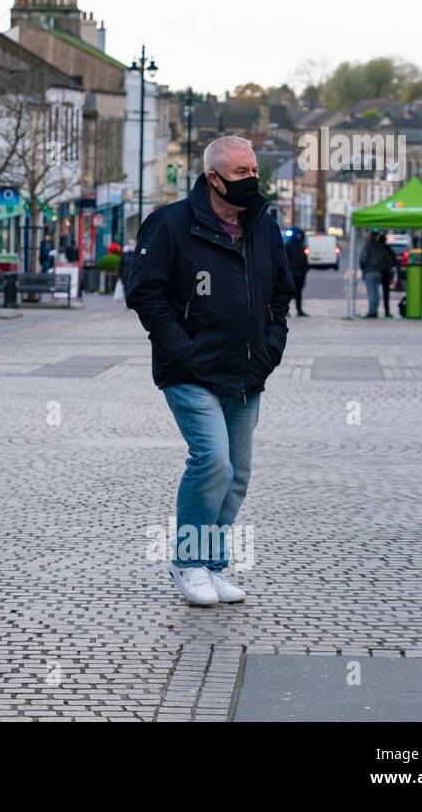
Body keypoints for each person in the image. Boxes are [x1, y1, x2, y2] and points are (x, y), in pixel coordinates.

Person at [125, 136, 293, 606]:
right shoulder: (170, 224)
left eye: (255, 171)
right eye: (241, 173)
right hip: (190, 372)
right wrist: (180, 347)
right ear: (214, 178)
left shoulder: (264, 225)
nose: (251, 180)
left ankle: (214, 564)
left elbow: (281, 292)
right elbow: (144, 293)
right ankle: (187, 561)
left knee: (237, 474)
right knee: (212, 461)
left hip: (247, 372)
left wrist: (272, 343)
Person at [359, 231, 384, 318]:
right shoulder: (380, 246)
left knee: (371, 293)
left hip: (369, 271)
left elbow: (363, 259)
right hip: (378, 271)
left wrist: (363, 268)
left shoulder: (368, 246)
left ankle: (371, 312)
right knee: (376, 293)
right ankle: (375, 311)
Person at [284, 228, 308, 316]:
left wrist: (305, 269)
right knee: (288, 293)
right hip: (291, 273)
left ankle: (299, 310)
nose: (300, 236)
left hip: (300, 273)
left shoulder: (301, 245)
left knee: (298, 293)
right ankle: (286, 311)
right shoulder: (288, 245)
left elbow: (304, 260)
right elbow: (285, 260)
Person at [378, 233, 397, 317]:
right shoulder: (387, 248)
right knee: (386, 293)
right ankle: (387, 311)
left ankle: (374, 310)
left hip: (378, 271)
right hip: (386, 272)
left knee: (374, 293)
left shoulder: (377, 248)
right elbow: (394, 259)